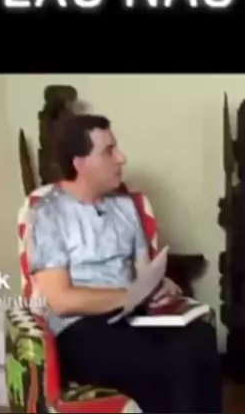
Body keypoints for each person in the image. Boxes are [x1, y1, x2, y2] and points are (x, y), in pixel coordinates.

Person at [27, 114, 222, 413]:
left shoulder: (125, 206)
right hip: (80, 331)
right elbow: (61, 301)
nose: (121, 158)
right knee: (172, 362)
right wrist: (128, 296)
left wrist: (160, 286)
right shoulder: (49, 214)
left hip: (132, 318)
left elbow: (144, 270)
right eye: (109, 151)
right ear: (80, 163)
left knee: (201, 340)